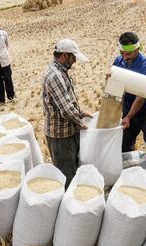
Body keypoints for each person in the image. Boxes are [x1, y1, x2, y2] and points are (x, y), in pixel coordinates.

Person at [42, 38, 92, 189]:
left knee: (75, 170)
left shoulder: (62, 71)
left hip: (69, 132)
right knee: (67, 177)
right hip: (60, 137)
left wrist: (81, 113)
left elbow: (68, 101)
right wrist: (80, 122)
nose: (75, 61)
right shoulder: (55, 75)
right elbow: (66, 109)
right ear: (64, 55)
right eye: (73, 57)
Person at [113, 32, 146, 160]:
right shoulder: (119, 61)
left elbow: (141, 97)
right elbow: (115, 86)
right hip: (128, 108)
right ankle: (127, 173)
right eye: (122, 53)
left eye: (128, 53)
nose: (124, 57)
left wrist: (128, 117)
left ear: (137, 49)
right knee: (125, 146)